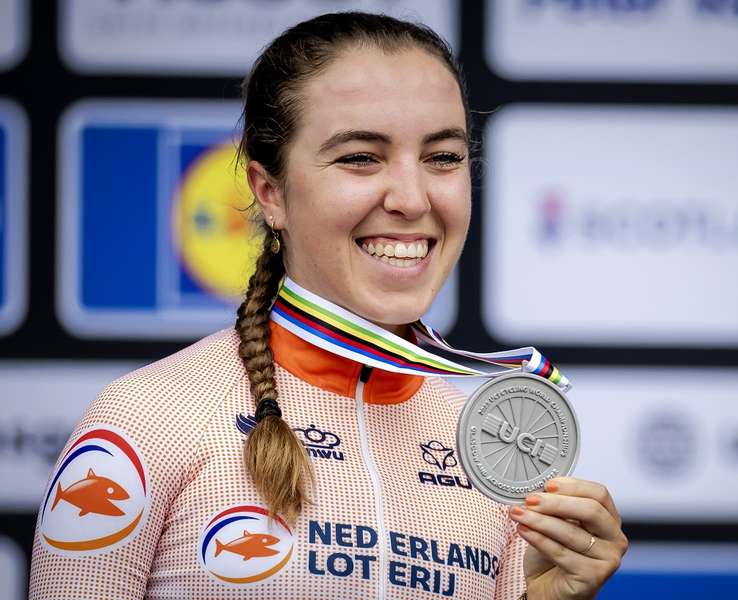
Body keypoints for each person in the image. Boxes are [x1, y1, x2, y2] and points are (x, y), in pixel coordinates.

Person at [29, 12, 627, 599]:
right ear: (271, 193)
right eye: (360, 157)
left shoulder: (492, 455)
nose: (411, 198)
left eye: (442, 157)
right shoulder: (149, 418)